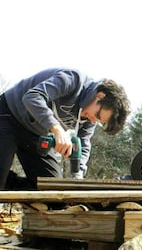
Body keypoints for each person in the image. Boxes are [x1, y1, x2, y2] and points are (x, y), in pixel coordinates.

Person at [0, 67, 131, 190]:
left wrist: (77, 176)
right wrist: (57, 129)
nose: (93, 120)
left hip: (34, 133)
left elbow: (83, 144)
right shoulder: (73, 80)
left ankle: (7, 180)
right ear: (100, 96)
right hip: (8, 115)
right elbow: (32, 97)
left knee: (52, 190)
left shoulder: (89, 118)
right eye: (97, 115)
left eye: (98, 121)